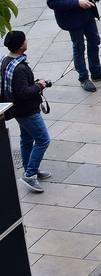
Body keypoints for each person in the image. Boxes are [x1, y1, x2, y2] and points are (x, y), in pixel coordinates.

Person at [1, 31, 51, 193]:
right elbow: (23, 92)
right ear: (21, 45)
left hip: (17, 109)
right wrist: (39, 85)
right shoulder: (20, 68)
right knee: (43, 140)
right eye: (25, 40)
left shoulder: (6, 60)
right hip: (27, 111)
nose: (27, 42)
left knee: (27, 139)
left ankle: (31, 168)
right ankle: (30, 174)